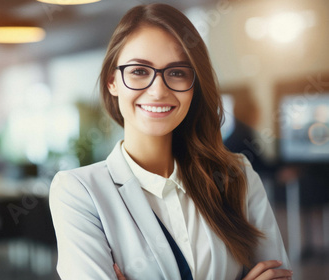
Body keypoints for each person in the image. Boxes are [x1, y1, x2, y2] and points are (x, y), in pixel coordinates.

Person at [49, 3, 292, 280]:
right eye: (139, 71)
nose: (158, 91)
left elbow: (278, 275)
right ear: (111, 81)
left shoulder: (236, 175)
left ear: (194, 85)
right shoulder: (79, 192)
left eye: (177, 72)